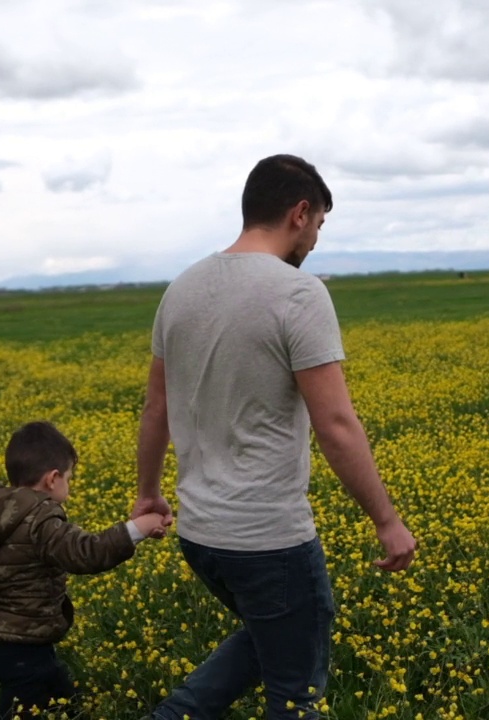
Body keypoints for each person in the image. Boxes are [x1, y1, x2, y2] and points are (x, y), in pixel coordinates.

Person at [134, 154, 417, 719]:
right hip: (267, 538)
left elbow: (155, 406)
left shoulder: (181, 289)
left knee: (273, 640)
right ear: (300, 212)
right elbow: (336, 424)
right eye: (318, 226)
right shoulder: (298, 292)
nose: (315, 239)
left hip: (202, 534)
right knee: (295, 691)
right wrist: (387, 522)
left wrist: (149, 491)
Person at [0, 420, 171, 719]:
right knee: (22, 704)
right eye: (69, 477)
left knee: (60, 692)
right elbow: (86, 553)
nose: (69, 484)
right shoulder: (40, 519)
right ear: (53, 479)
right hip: (23, 641)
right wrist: (136, 529)